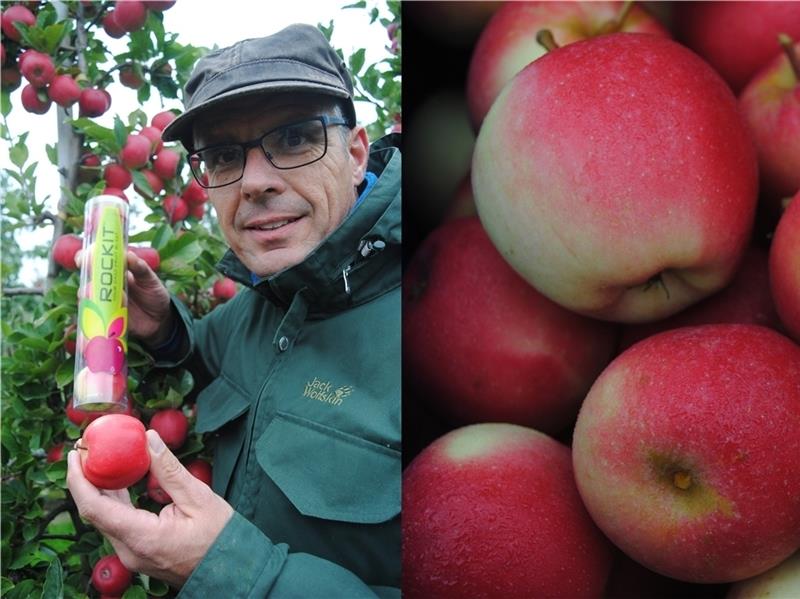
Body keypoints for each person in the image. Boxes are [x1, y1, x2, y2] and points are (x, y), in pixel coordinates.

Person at [67, 23, 401, 598]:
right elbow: (212, 358)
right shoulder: (260, 304)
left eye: (295, 138)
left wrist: (234, 573)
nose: (255, 182)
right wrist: (165, 326)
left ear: (355, 152)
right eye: (223, 157)